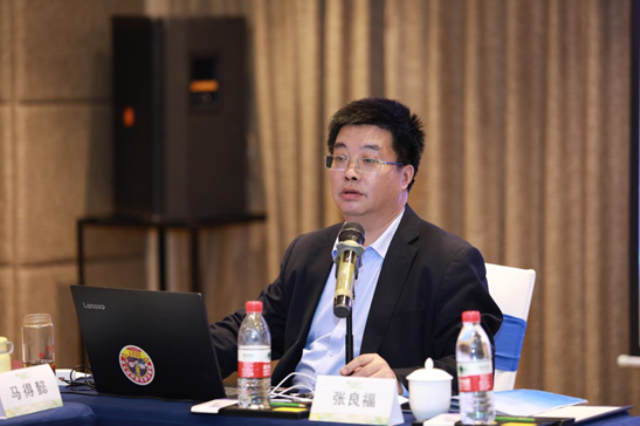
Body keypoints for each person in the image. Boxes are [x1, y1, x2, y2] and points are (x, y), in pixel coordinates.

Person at [210, 98, 503, 394]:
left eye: (368, 160)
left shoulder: (447, 261)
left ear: (405, 176)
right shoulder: (307, 251)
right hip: (291, 407)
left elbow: (471, 365)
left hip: (372, 411)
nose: (349, 172)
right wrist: (187, 349)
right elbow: (253, 328)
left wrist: (399, 380)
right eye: (340, 158)